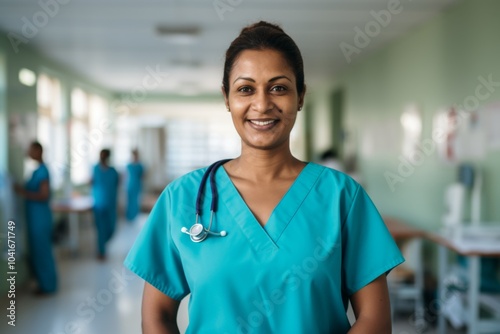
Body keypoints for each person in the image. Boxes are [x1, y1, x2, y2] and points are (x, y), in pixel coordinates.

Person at [124, 21, 404, 333]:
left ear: (300, 97)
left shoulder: (342, 197)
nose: (262, 104)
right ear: (227, 99)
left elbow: (374, 320)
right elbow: (157, 316)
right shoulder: (183, 198)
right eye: (245, 89)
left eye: (279, 87)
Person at [14, 141, 58, 295]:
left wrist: (22, 192)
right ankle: (44, 283)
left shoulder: (42, 171)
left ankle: (48, 286)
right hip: (35, 218)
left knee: (43, 252)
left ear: (39, 151)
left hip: (40, 219)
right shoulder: (36, 170)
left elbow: (44, 195)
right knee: (39, 252)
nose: (29, 152)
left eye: (31, 150)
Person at [91, 148, 119, 260]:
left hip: (110, 204)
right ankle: (101, 251)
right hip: (98, 205)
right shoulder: (95, 169)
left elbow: (117, 184)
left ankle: (102, 245)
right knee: (100, 229)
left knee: (111, 229)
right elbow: (92, 182)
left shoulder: (113, 171)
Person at [125, 149, 145, 222]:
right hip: (130, 185)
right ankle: (129, 217)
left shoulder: (140, 166)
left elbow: (142, 176)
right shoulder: (129, 165)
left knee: (136, 201)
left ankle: (135, 216)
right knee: (129, 201)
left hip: (137, 185)